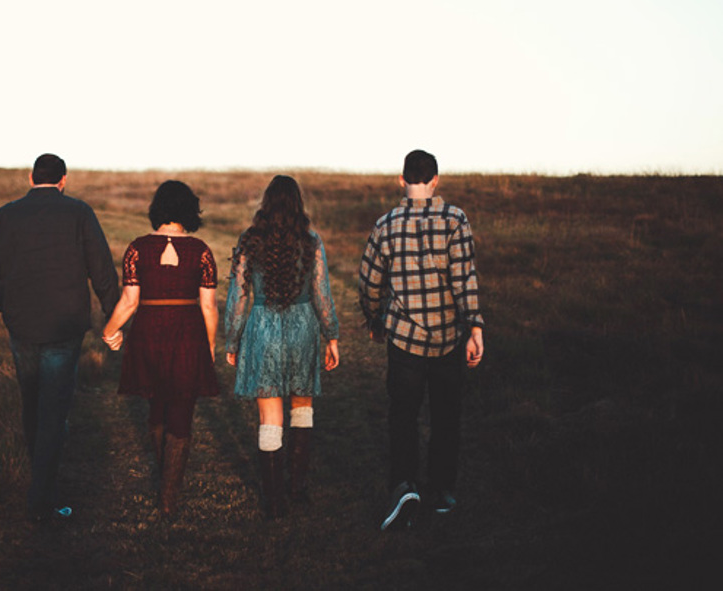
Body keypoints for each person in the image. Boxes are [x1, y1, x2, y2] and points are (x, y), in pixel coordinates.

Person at [0, 153, 120, 522]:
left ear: (31, 178)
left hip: (22, 326)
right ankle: (43, 499)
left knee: (32, 405)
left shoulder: (5, 215)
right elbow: (102, 270)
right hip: (64, 326)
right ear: (63, 180)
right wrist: (114, 317)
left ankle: (41, 486)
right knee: (54, 411)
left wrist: (6, 307)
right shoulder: (79, 212)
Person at [358, 149, 485, 531]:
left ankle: (404, 487)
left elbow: (369, 282)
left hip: (404, 339)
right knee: (446, 417)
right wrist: (475, 328)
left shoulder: (386, 224)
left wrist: (375, 319)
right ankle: (442, 492)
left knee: (404, 416)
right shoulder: (455, 219)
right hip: (448, 338)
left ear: (401, 180)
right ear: (435, 181)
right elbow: (464, 278)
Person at [223, 175, 340, 519]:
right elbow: (321, 294)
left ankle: (274, 501)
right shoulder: (311, 241)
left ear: (266, 203)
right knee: (302, 407)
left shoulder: (250, 240)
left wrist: (233, 339)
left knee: (269, 416)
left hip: (263, 329)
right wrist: (331, 335)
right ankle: (297, 489)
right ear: (297, 204)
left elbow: (238, 296)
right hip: (303, 328)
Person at [101, 180, 219, 516]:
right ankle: (169, 497)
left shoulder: (137, 248)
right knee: (182, 407)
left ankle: (164, 484)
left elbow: (129, 300)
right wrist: (209, 345)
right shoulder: (201, 250)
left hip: (148, 329)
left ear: (157, 209)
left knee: (156, 404)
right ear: (190, 210)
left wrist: (110, 331)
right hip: (187, 331)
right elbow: (209, 306)